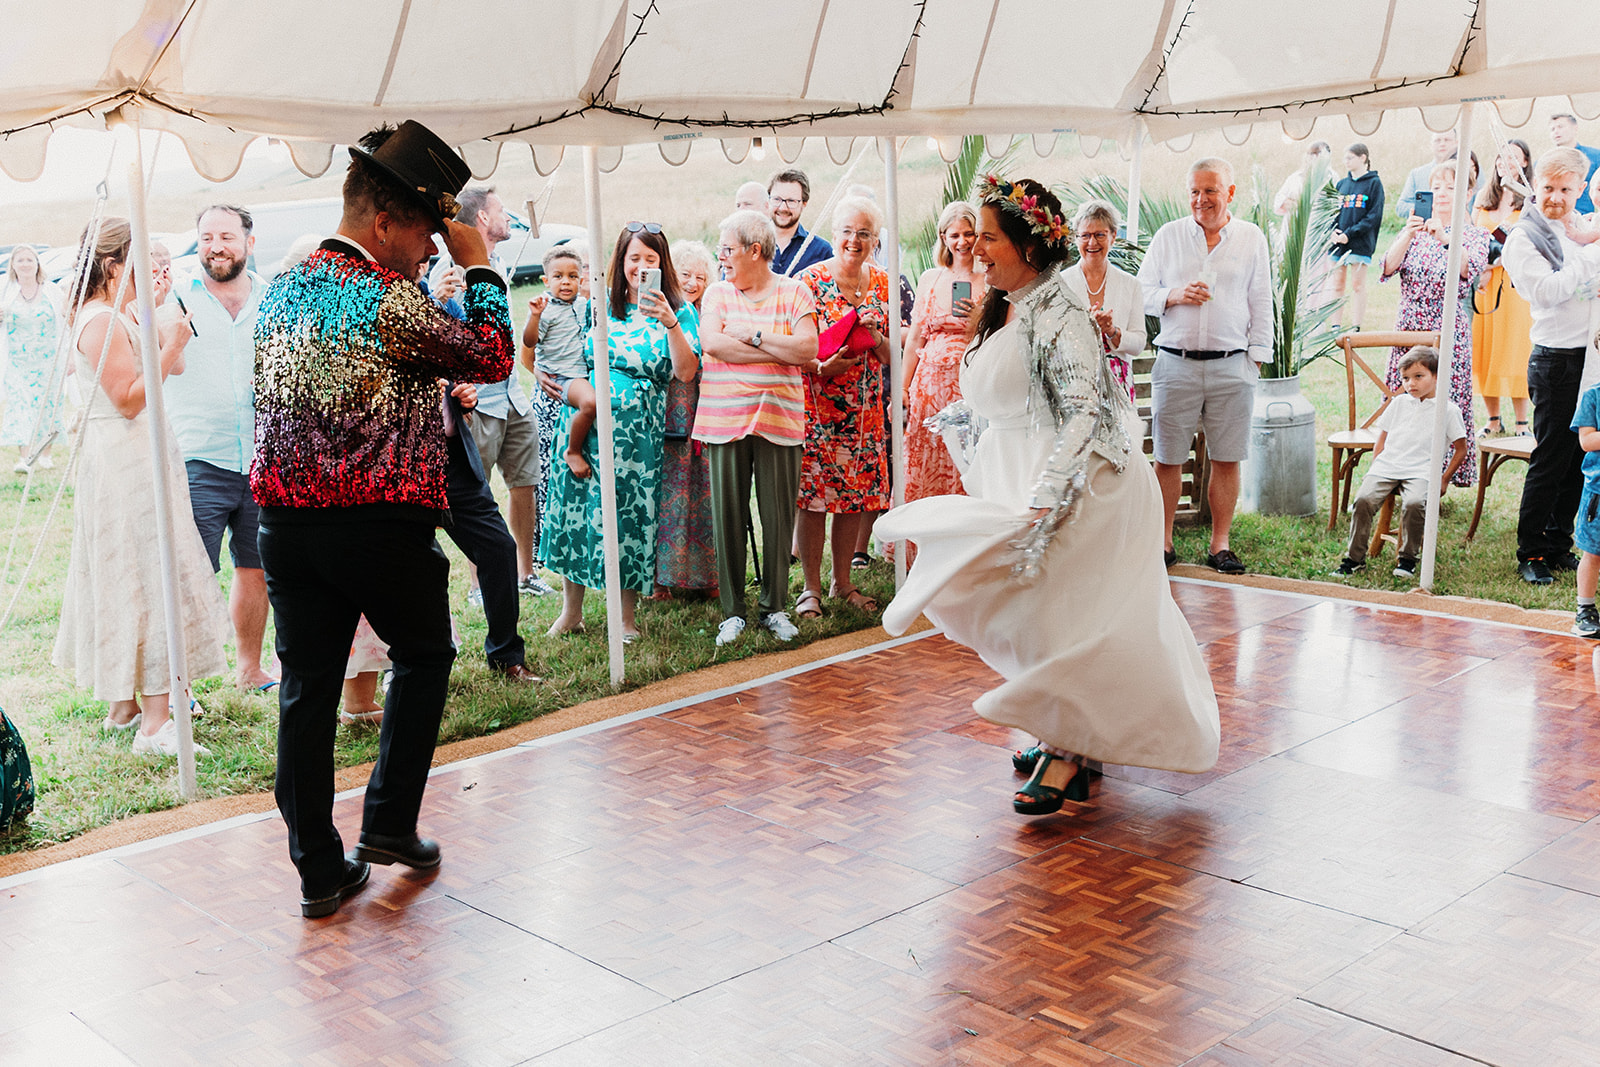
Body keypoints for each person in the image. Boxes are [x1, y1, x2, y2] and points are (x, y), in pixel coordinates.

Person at [877, 175, 1219, 816]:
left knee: (1065, 616)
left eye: (988, 238)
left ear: (1029, 247)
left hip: (1084, 486)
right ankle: (1064, 729)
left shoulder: (1062, 316)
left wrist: (1048, 496)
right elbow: (1005, 392)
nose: (976, 248)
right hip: (1018, 473)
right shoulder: (1004, 303)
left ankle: (1070, 752)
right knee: (1027, 611)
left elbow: (1084, 412)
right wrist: (963, 427)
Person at [252, 120, 513, 918]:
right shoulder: (387, 298)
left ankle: (318, 871)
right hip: (377, 522)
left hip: (283, 529)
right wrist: (482, 268)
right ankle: (390, 823)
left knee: (306, 689)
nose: (433, 250)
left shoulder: (283, 288)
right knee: (426, 653)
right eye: (429, 235)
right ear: (385, 222)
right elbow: (493, 356)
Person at [54, 217, 229, 757]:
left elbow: (165, 373)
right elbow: (130, 396)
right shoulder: (99, 319)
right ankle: (157, 725)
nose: (149, 268)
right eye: (139, 260)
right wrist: (173, 339)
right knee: (148, 576)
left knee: (140, 573)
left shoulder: (118, 313)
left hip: (137, 453)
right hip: (123, 461)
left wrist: (157, 313)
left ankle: (127, 707)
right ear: (113, 265)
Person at [539, 222, 701, 639]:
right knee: (576, 513)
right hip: (585, 425)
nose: (641, 267)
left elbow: (685, 371)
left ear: (661, 264)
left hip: (636, 435)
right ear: (621, 262)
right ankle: (571, 611)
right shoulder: (599, 305)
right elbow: (555, 345)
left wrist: (670, 323)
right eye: (634, 259)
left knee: (630, 519)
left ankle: (625, 618)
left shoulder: (679, 309)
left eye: (650, 259)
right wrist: (542, 369)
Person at [1137, 156, 1272, 575]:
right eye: (1194, 191)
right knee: (1168, 458)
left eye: (1210, 190)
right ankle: (1163, 542)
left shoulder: (1251, 238)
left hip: (1232, 366)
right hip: (1175, 363)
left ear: (1230, 193)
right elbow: (1141, 292)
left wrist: (1255, 360)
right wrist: (1175, 294)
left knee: (1227, 458)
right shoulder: (1169, 236)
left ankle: (1220, 544)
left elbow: (1261, 300)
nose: (1201, 199)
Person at [164, 205, 278, 691]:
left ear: (249, 243)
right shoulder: (173, 297)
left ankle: (249, 669)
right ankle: (177, 686)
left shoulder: (272, 298)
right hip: (197, 453)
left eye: (227, 236)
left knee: (256, 568)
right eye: (206, 236)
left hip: (262, 454)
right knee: (191, 575)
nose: (215, 246)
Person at [694, 209, 819, 646]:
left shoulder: (795, 292)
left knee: (778, 516)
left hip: (780, 419)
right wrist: (774, 352)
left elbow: (807, 348)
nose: (722, 258)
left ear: (754, 250)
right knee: (728, 515)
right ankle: (733, 612)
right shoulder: (717, 294)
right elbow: (712, 343)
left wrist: (754, 337)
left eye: (727, 249)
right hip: (723, 418)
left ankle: (775, 607)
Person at [429, 187, 544, 597]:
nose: (508, 216)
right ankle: (481, 584)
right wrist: (436, 298)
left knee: (524, 484)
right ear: (480, 220)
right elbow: (445, 336)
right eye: (500, 210)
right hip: (477, 401)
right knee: (478, 495)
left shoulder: (494, 263)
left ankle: (525, 575)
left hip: (513, 395)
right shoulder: (452, 271)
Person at [1505, 147, 1600, 585]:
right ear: (1535, 186)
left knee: (1580, 454)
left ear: (1580, 188)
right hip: (1555, 359)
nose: (1556, 197)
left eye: (1566, 189)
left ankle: (1560, 542)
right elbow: (1546, 292)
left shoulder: (1576, 228)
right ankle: (1531, 551)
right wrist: (1589, 262)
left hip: (1589, 358)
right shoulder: (1524, 238)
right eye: (1548, 188)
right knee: (1550, 457)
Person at [794, 197, 891, 620]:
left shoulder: (884, 283)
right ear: (834, 235)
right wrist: (821, 365)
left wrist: (876, 334)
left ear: (875, 240)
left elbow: (891, 355)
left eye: (864, 233)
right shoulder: (807, 281)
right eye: (848, 231)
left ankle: (843, 581)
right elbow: (796, 348)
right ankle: (811, 587)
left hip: (866, 410)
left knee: (855, 496)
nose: (855, 240)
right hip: (818, 405)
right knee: (814, 499)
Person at [1379, 158, 1489, 489]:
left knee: (1445, 403)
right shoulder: (1411, 230)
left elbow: (1469, 272)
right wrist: (1409, 235)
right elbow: (1387, 267)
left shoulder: (1474, 234)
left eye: (1451, 188)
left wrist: (1445, 237)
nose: (1441, 194)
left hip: (1447, 326)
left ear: (1468, 193)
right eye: (1437, 187)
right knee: (1406, 399)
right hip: (1410, 324)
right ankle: (1398, 471)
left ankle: (1439, 477)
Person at [1333, 346, 1467, 580]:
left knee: (1414, 503)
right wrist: (1376, 467)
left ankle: (1407, 559)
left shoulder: (1448, 410)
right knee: (1363, 500)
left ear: (1437, 376)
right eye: (1405, 378)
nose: (1410, 384)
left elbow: (1461, 449)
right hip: (1387, 466)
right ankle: (1354, 559)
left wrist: (1443, 479)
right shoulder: (1398, 404)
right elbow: (1382, 439)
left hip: (1422, 471)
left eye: (1418, 377)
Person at [904, 201, 984, 504]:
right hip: (928, 385)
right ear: (943, 238)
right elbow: (914, 339)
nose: (962, 242)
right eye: (955, 235)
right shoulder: (930, 278)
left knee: (963, 459)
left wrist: (978, 316)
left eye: (969, 234)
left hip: (968, 382)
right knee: (926, 458)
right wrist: (903, 387)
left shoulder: (989, 280)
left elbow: (997, 337)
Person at [522, 243, 588, 594]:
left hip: (579, 391)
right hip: (553, 398)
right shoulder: (544, 310)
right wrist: (533, 315)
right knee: (547, 477)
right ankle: (544, 558)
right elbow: (528, 348)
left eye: (573, 276)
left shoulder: (588, 307)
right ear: (546, 279)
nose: (566, 282)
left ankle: (578, 555)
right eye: (559, 277)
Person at [655, 239, 718, 595]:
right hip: (668, 413)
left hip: (703, 411)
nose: (693, 282)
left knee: (702, 492)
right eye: (685, 274)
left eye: (701, 276)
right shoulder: (663, 313)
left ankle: (706, 576)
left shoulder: (707, 315)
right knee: (667, 493)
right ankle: (661, 580)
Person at [1473, 139, 1536, 438]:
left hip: (1513, 284)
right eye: (1501, 157)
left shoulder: (1530, 201)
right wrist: (1481, 269)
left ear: (1525, 162)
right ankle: (1493, 417)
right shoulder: (1483, 200)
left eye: (1513, 157)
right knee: (1487, 348)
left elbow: (1527, 243)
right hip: (1485, 285)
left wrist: (1493, 264)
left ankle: (1522, 421)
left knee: (1515, 349)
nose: (1505, 162)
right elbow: (1472, 237)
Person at [1062, 199, 1145, 398]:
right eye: (1085, 236)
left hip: (1119, 386)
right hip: (1074, 385)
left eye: (1100, 235)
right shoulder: (1062, 283)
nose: (1092, 243)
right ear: (1076, 238)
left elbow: (1139, 343)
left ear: (1113, 236)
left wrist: (1111, 330)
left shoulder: (1130, 284)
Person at [1, 245, 65, 473]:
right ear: (13, 265)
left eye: (30, 260)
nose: (25, 264)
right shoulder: (5, 290)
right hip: (17, 361)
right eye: (21, 260)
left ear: (37, 264)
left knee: (47, 406)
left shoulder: (51, 291)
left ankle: (45, 454)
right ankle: (25, 458)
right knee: (21, 406)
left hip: (48, 360)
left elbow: (65, 319)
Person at [1329, 143, 1384, 333]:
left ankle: (1355, 325)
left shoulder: (1374, 183)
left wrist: (1349, 234)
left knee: (1357, 284)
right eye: (1344, 158)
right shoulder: (1342, 185)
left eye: (1350, 157)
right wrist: (1333, 232)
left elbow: (1373, 216)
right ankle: (1335, 324)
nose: (1346, 162)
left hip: (1359, 243)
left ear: (1363, 158)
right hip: (1338, 244)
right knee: (1337, 283)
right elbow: (1331, 212)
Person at [768, 169, 833, 277]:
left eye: (791, 201)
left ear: (804, 204)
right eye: (777, 199)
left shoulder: (822, 251)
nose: (783, 207)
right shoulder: (748, 243)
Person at [1396, 128, 1457, 220]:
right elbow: (1401, 207)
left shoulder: (1470, 171)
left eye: (1447, 140)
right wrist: (1425, 208)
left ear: (1456, 143)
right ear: (1431, 145)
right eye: (1437, 140)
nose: (1442, 144)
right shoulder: (1417, 174)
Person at [1550, 113, 1600, 215]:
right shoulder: (1547, 162)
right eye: (1552, 129)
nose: (1556, 132)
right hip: (1556, 218)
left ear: (1575, 128)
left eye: (1560, 127)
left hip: (1588, 218)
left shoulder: (1595, 156)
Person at [1272, 141, 1331, 217]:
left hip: (1319, 223)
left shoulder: (1330, 178)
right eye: (1310, 154)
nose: (1313, 157)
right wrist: (1295, 204)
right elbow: (1279, 200)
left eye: (1318, 153)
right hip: (1295, 223)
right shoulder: (1295, 178)